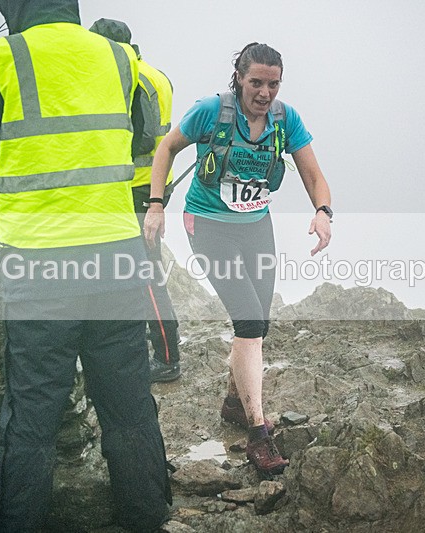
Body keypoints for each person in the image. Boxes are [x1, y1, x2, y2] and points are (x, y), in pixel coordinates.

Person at [0, 1, 171, 530]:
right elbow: (143, 136)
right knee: (128, 402)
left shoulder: (0, 57)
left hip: (39, 262)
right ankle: (145, 516)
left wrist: (27, 192)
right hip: (115, 255)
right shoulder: (119, 57)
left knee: (33, 414)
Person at [144, 42, 333, 476]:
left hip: (255, 225)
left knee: (257, 323)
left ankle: (234, 402)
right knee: (248, 323)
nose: (265, 93)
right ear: (239, 79)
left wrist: (323, 212)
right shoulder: (210, 111)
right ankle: (258, 434)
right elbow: (167, 148)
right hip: (208, 226)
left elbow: (313, 174)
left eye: (273, 84)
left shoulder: (285, 119)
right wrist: (156, 204)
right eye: (256, 83)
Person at [89, 18, 181, 384]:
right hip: (155, 186)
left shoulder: (127, 78)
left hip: (138, 187)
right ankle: (158, 349)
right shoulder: (155, 74)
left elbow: (140, 139)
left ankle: (167, 358)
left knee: (146, 275)